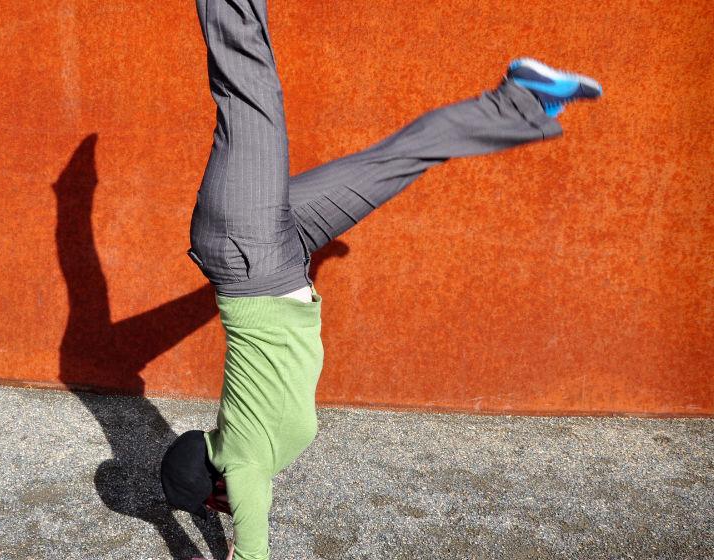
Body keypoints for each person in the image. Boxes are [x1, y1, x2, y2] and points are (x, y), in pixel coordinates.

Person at [160, 1, 602, 559]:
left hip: (245, 248)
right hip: (278, 253)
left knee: (248, 85)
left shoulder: (245, 461)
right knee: (396, 160)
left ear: (215, 490)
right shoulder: (242, 448)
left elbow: (253, 550)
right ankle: (523, 98)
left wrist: (203, 526)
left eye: (213, 506)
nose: (224, 511)